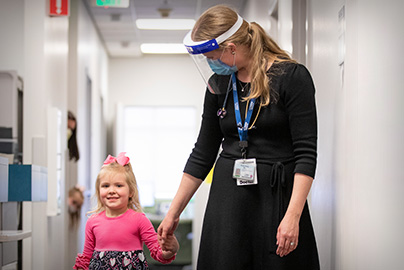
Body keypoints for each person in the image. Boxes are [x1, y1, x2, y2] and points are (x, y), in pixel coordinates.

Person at [158, 4, 319, 270]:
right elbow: (203, 152)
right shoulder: (219, 85)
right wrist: (174, 212)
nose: (211, 63)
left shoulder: (292, 77)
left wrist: (293, 216)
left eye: (213, 56)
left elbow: (306, 153)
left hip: (276, 198)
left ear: (232, 48)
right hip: (228, 203)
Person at [73, 152, 179, 270]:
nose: (111, 190)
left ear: (131, 192)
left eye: (118, 185)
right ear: (98, 191)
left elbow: (158, 253)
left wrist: (170, 251)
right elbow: (86, 259)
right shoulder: (92, 222)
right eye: (106, 186)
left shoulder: (139, 220)